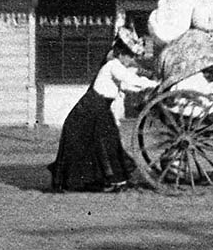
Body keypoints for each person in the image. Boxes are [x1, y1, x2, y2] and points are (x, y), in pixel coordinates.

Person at [48, 27, 158, 193]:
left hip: (99, 109)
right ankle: (87, 181)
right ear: (121, 54)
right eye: (130, 56)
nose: (131, 60)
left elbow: (127, 86)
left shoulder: (116, 67)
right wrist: (154, 84)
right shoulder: (114, 65)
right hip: (89, 109)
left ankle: (114, 179)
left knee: (107, 142)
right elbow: (130, 79)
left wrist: (148, 86)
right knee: (88, 144)